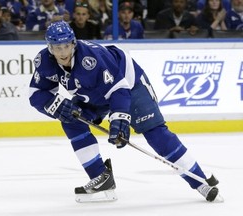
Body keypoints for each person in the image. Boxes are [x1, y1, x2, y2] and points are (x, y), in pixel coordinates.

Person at [28, 20, 221, 203]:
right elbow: (36, 93)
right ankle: (100, 177)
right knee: (72, 121)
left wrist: (119, 120)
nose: (62, 53)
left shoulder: (92, 58)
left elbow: (119, 89)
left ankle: (200, 180)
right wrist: (54, 105)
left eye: (66, 46)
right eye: (57, 48)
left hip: (129, 86)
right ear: (49, 48)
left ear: (73, 44)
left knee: (155, 134)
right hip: (92, 95)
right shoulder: (45, 61)